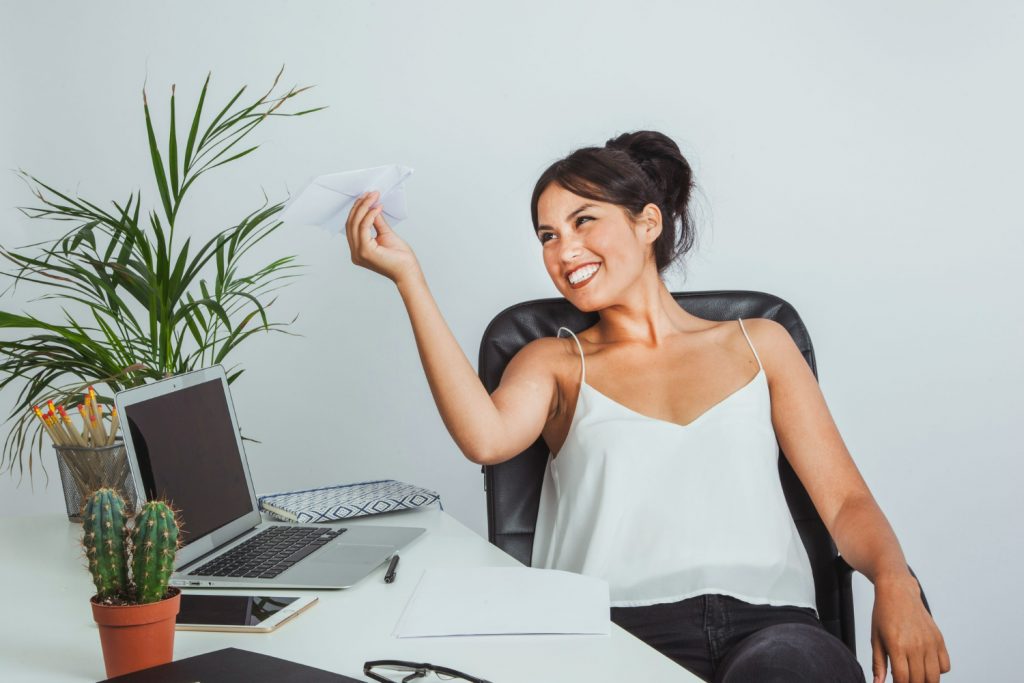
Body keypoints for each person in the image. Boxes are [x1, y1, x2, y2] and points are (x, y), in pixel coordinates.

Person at [342, 130, 950, 683]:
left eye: (584, 221)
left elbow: (845, 502)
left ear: (648, 223)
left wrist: (897, 582)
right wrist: (409, 279)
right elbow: (483, 437)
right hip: (616, 635)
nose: (564, 250)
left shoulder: (761, 342)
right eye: (548, 236)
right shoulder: (554, 362)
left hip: (774, 629)